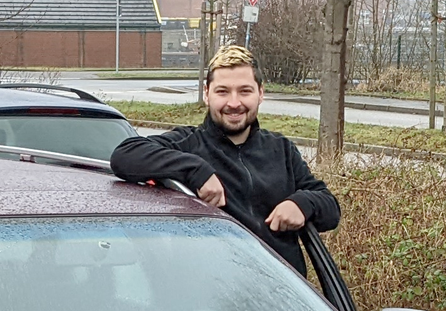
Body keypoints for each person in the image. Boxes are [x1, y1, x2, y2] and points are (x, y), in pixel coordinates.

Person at [110, 45, 339, 276]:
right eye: (222, 92)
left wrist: (302, 203)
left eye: (244, 91)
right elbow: (125, 155)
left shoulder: (281, 149)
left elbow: (330, 208)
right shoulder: (188, 144)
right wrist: (196, 170)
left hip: (282, 296)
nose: (234, 103)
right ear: (206, 93)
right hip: (214, 293)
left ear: (261, 93)